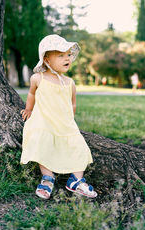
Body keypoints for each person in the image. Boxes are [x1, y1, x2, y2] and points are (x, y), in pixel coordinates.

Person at [20, 34, 97, 200]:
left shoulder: (69, 82)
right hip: (44, 122)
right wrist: (28, 108)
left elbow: (73, 103)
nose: (67, 58)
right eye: (61, 55)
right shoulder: (38, 78)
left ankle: (76, 180)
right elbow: (32, 94)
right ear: (47, 59)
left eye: (68, 54)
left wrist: (70, 118)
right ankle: (47, 178)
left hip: (64, 124)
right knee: (43, 144)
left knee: (79, 147)